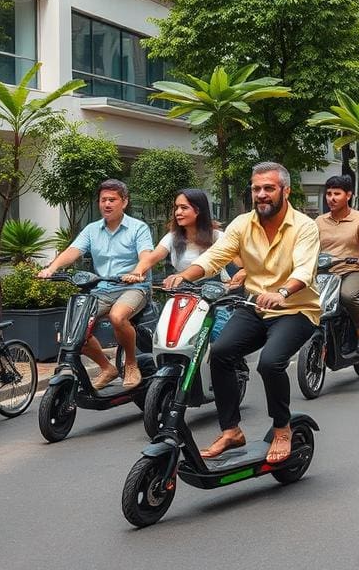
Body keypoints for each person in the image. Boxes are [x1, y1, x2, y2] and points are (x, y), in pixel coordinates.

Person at [162, 162, 320, 464]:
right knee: (219, 352)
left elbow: (304, 269)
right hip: (255, 306)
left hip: (295, 308)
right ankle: (231, 430)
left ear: (285, 191)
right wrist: (185, 277)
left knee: (271, 363)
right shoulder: (242, 224)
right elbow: (213, 258)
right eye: (256, 188)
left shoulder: (304, 226)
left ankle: (282, 428)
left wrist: (282, 292)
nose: (261, 194)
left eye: (268, 188)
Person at [39, 180, 154, 390]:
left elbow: (146, 256)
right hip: (103, 289)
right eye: (103, 200)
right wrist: (52, 268)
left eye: (112, 200)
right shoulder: (92, 230)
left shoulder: (139, 228)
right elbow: (73, 251)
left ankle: (131, 363)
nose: (107, 204)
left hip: (133, 288)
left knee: (117, 317)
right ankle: (107, 367)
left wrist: (137, 272)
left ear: (124, 202)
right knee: (74, 330)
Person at [126, 189, 245, 338]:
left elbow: (241, 264)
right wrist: (137, 272)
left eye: (184, 207)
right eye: (176, 208)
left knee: (218, 336)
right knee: (166, 335)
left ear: (198, 211)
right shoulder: (172, 237)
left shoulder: (218, 237)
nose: (178, 212)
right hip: (182, 293)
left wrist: (242, 273)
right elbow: (150, 258)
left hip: (215, 295)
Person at [315, 175, 359, 354]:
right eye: (328, 194)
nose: (331, 198)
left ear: (348, 195)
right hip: (325, 273)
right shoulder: (319, 221)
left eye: (337, 194)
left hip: (352, 270)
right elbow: (307, 245)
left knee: (347, 296)